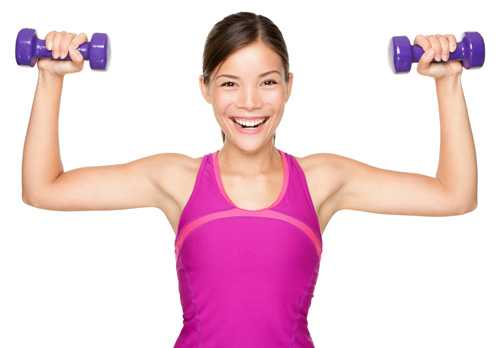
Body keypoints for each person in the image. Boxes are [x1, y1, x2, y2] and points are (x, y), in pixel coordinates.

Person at [21, 11, 477, 348]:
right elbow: (44, 188)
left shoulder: (322, 180)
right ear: (205, 88)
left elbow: (454, 195)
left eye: (267, 82)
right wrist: (50, 78)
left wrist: (448, 81)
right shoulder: (176, 179)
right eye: (229, 83)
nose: (250, 103)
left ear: (289, 85)